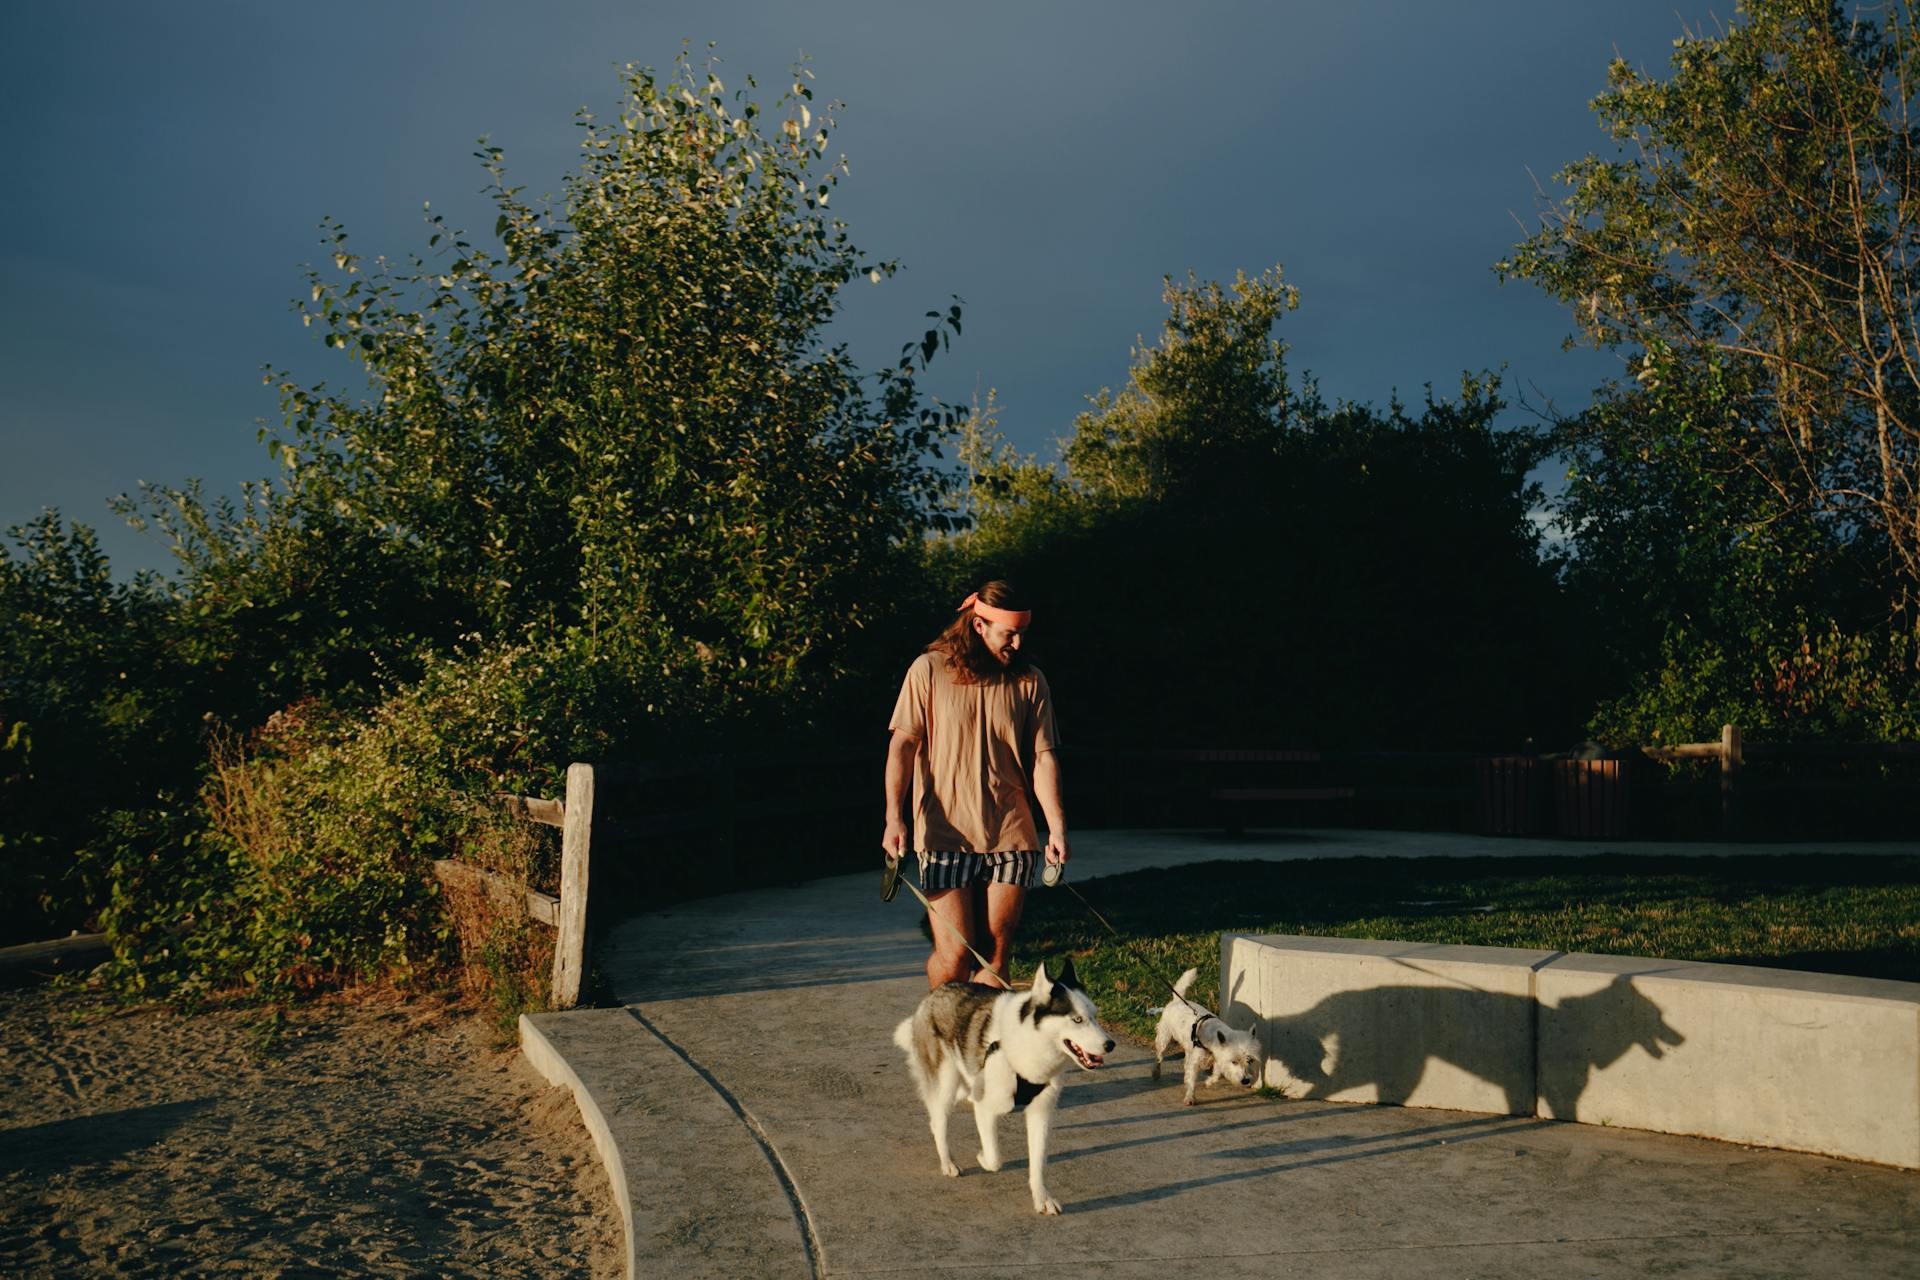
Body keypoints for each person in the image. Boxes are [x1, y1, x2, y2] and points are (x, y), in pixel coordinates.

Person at [882, 580, 1067, 990]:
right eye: (1009, 634)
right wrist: (894, 818)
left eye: (1022, 634)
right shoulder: (928, 670)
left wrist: (1055, 827)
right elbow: (902, 746)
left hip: (1012, 834)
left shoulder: (1030, 680)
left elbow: (1043, 757)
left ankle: (981, 1050)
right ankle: (943, 1035)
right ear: (979, 624)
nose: (1018, 644)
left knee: (996, 954)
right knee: (955, 957)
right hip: (944, 835)